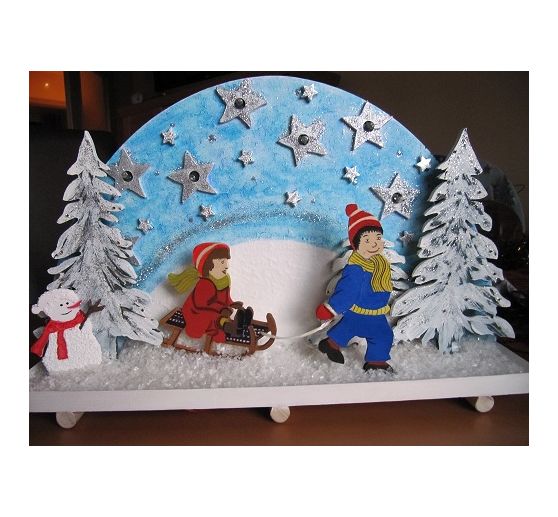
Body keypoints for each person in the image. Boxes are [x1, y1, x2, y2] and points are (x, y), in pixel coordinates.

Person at [315, 204, 394, 371]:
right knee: (382, 335)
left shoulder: (381, 265)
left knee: (348, 328)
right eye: (367, 240)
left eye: (377, 238)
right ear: (356, 244)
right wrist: (331, 309)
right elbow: (347, 291)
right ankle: (376, 363)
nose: (374, 244)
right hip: (364, 313)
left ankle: (331, 344)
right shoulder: (356, 268)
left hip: (375, 312)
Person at [168, 242, 253, 344]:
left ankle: (240, 323)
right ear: (209, 263)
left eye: (226, 261)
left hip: (216, 310)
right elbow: (202, 304)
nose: (227, 266)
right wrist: (222, 309)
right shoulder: (205, 283)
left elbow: (225, 298)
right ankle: (232, 328)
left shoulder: (225, 279)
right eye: (222, 262)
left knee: (218, 315)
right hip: (196, 312)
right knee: (213, 317)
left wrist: (232, 304)